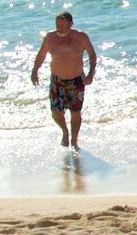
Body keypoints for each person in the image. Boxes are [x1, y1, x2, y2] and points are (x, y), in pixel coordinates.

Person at [30, 11, 96, 151]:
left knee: (75, 112)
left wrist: (91, 74)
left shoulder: (81, 37)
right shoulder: (50, 37)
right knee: (55, 112)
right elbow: (41, 55)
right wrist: (35, 70)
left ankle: (74, 140)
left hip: (76, 80)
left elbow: (92, 55)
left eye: (62, 24)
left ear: (71, 24)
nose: (59, 27)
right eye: (57, 24)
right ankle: (65, 132)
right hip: (57, 80)